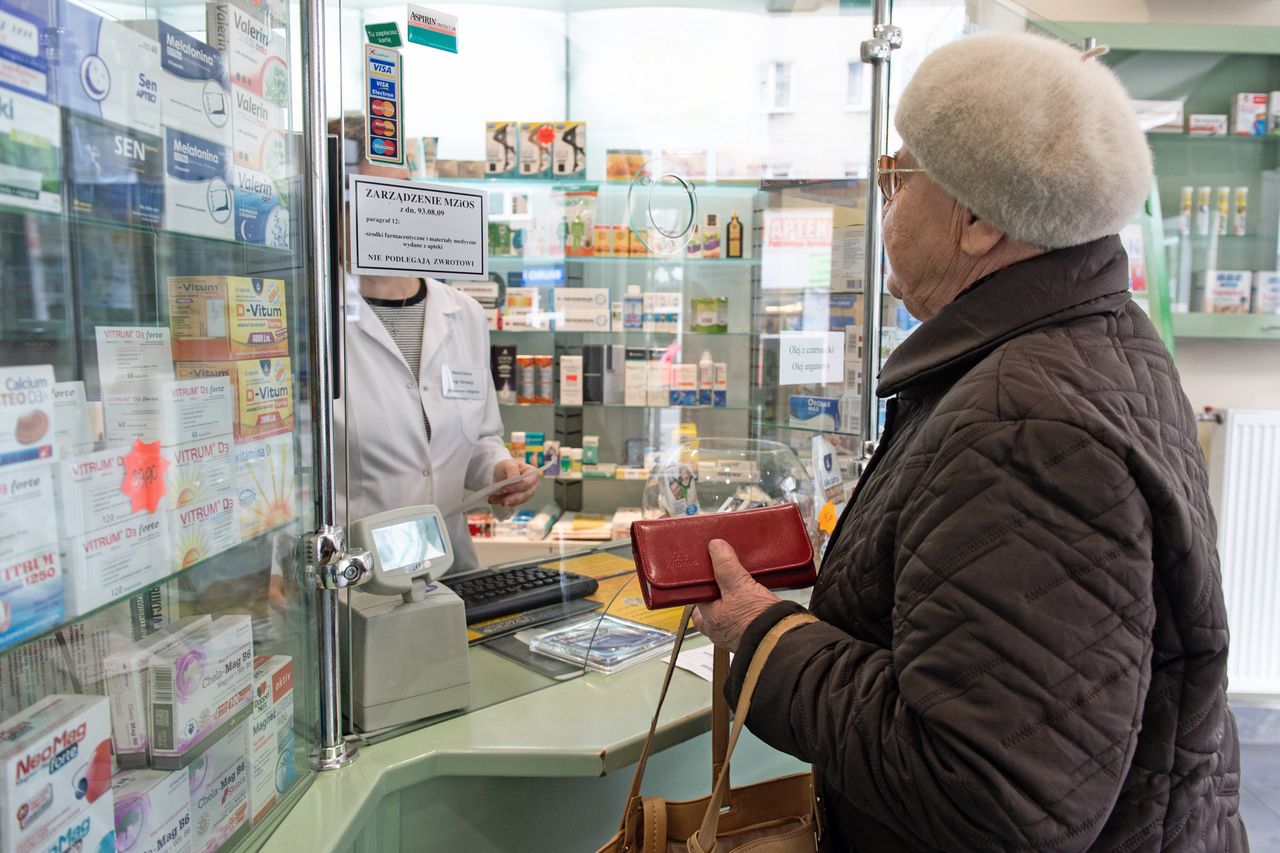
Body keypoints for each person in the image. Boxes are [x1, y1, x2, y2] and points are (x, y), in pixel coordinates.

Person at [694, 33, 1247, 852]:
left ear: (980, 220)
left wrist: (766, 636)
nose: (885, 200)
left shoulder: (1022, 421)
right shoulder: (1095, 339)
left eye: (898, 175)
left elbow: (992, 794)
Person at [331, 114, 539, 572]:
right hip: (357, 582)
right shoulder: (318, 319)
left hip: (450, 570)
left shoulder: (462, 313)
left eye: (403, 193)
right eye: (371, 197)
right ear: (333, 205)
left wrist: (499, 470)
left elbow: (480, 439)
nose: (393, 212)